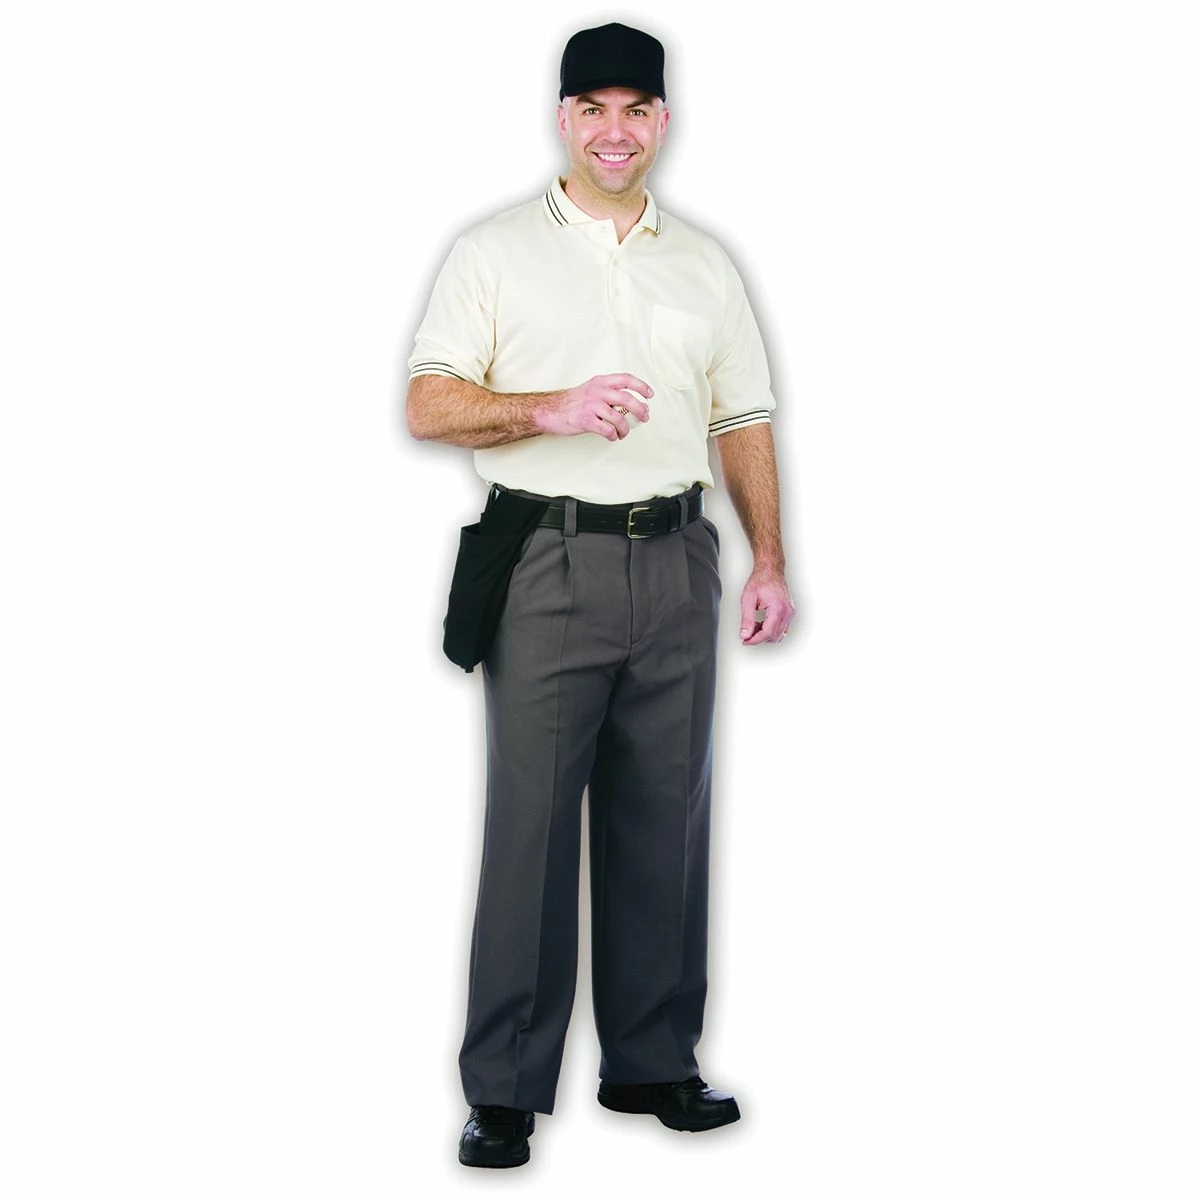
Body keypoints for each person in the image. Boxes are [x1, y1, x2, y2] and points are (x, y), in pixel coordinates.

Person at [405, 21, 795, 1169]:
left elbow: (743, 419)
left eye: (635, 110)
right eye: (593, 109)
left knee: (666, 819)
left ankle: (652, 1060)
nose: (614, 131)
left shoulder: (706, 264)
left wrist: (770, 560)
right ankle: (505, 1089)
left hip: (677, 560)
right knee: (531, 826)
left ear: (662, 121)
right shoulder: (491, 253)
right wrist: (553, 408)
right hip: (548, 560)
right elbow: (428, 402)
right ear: (562, 118)